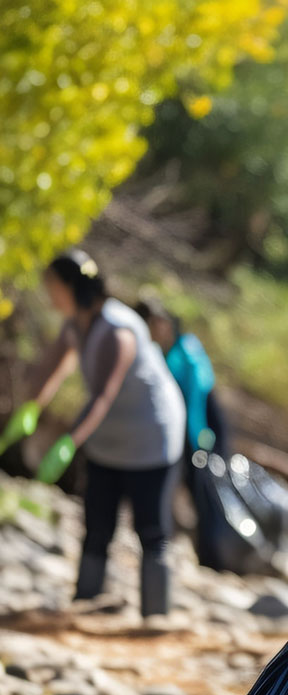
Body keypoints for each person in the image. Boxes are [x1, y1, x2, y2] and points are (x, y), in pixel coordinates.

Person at [12, 251, 186, 617]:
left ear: (72, 286)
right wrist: (30, 408)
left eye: (52, 288)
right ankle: (85, 607)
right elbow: (51, 370)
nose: (49, 296)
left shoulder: (117, 330)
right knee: (96, 524)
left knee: (151, 530)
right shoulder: (76, 324)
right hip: (108, 440)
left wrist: (68, 443)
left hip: (150, 437)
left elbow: (103, 395)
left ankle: (156, 620)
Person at [133, 298, 229, 455]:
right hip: (183, 411)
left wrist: (196, 436)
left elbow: (195, 395)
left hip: (202, 411)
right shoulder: (159, 352)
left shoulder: (186, 348)